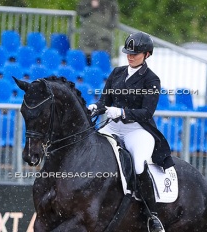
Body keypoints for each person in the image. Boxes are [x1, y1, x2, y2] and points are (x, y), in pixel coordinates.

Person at [88, 32, 174, 232]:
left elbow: (146, 112)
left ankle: (152, 215)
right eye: (128, 52)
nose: (130, 56)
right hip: (113, 126)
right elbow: (104, 101)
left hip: (138, 130)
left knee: (138, 165)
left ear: (147, 54)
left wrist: (121, 112)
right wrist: (95, 107)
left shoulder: (151, 80)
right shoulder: (117, 73)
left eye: (135, 53)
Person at [76, 0, 119, 65]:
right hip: (89, 37)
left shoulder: (111, 2)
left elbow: (115, 13)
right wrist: (91, 5)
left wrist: (110, 26)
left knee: (102, 62)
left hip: (104, 38)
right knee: (87, 62)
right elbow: (80, 11)